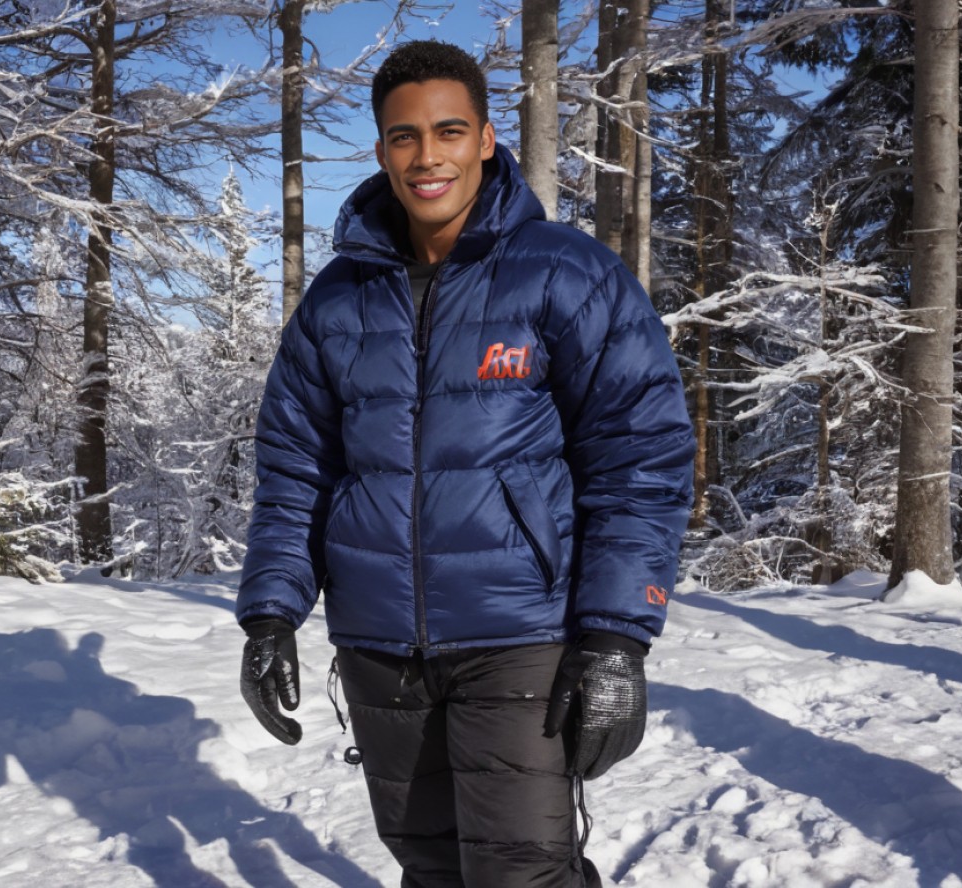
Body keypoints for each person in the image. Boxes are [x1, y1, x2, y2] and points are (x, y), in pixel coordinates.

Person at [236, 39, 693, 888]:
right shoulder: (336, 298)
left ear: (485, 138)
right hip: (377, 640)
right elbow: (296, 469)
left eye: (448, 131)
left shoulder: (566, 273)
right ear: (381, 150)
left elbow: (640, 459)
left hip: (520, 633)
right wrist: (270, 612)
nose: (427, 156)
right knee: (428, 866)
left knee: (521, 871)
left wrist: (615, 636)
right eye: (403, 136)